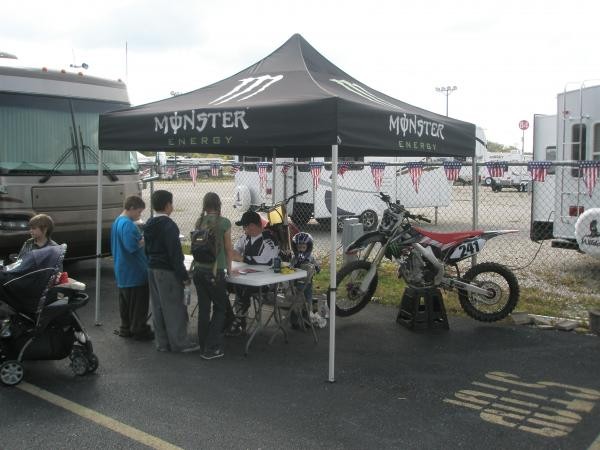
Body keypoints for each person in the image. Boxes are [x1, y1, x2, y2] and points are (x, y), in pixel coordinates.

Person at [144, 190, 200, 353]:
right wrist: (183, 276)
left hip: (152, 267)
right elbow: (175, 254)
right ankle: (179, 343)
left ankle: (162, 342)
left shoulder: (149, 223)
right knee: (174, 307)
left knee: (158, 306)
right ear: (168, 205)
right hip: (166, 270)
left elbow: (146, 248)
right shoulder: (169, 225)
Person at [191, 192, 233, 360]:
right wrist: (230, 269)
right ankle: (212, 347)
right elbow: (228, 249)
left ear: (205, 205)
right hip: (215, 271)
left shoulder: (199, 222)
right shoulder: (224, 223)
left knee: (204, 309)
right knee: (221, 308)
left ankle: (203, 345)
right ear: (219, 204)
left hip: (199, 270)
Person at [226, 210, 279, 336]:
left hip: (265, 282)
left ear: (252, 226)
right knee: (222, 283)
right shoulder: (245, 237)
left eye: (244, 226)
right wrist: (236, 255)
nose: (243, 230)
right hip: (247, 277)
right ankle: (229, 317)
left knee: (242, 287)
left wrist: (242, 258)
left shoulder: (269, 239)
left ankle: (240, 319)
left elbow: (266, 261)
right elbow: (235, 251)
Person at [111, 195, 154, 341]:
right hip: (134, 270)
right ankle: (139, 329)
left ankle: (126, 328)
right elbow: (132, 246)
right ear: (131, 208)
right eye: (139, 212)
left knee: (126, 303)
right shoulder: (128, 225)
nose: (139, 215)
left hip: (122, 270)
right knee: (138, 304)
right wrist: (144, 239)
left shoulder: (117, 221)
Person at [290, 232, 320, 306]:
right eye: (299, 247)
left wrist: (317, 268)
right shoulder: (294, 258)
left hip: (308, 283)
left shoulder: (310, 258)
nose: (301, 249)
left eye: (303, 247)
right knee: (297, 297)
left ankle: (308, 309)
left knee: (308, 296)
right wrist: (293, 266)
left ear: (308, 247)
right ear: (295, 247)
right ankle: (297, 309)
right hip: (296, 283)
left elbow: (316, 265)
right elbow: (291, 267)